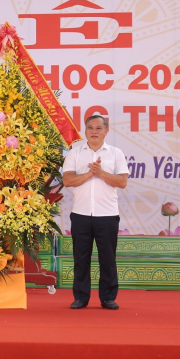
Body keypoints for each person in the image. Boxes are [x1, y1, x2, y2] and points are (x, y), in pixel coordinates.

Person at [62, 115, 129, 310]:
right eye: (90, 127)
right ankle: (81, 297)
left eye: (98, 128)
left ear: (106, 131)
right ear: (85, 130)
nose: (94, 131)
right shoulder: (75, 153)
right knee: (80, 259)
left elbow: (122, 182)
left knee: (107, 259)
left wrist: (101, 173)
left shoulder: (116, 154)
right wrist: (90, 174)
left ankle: (108, 297)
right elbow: (68, 181)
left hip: (107, 215)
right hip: (81, 214)